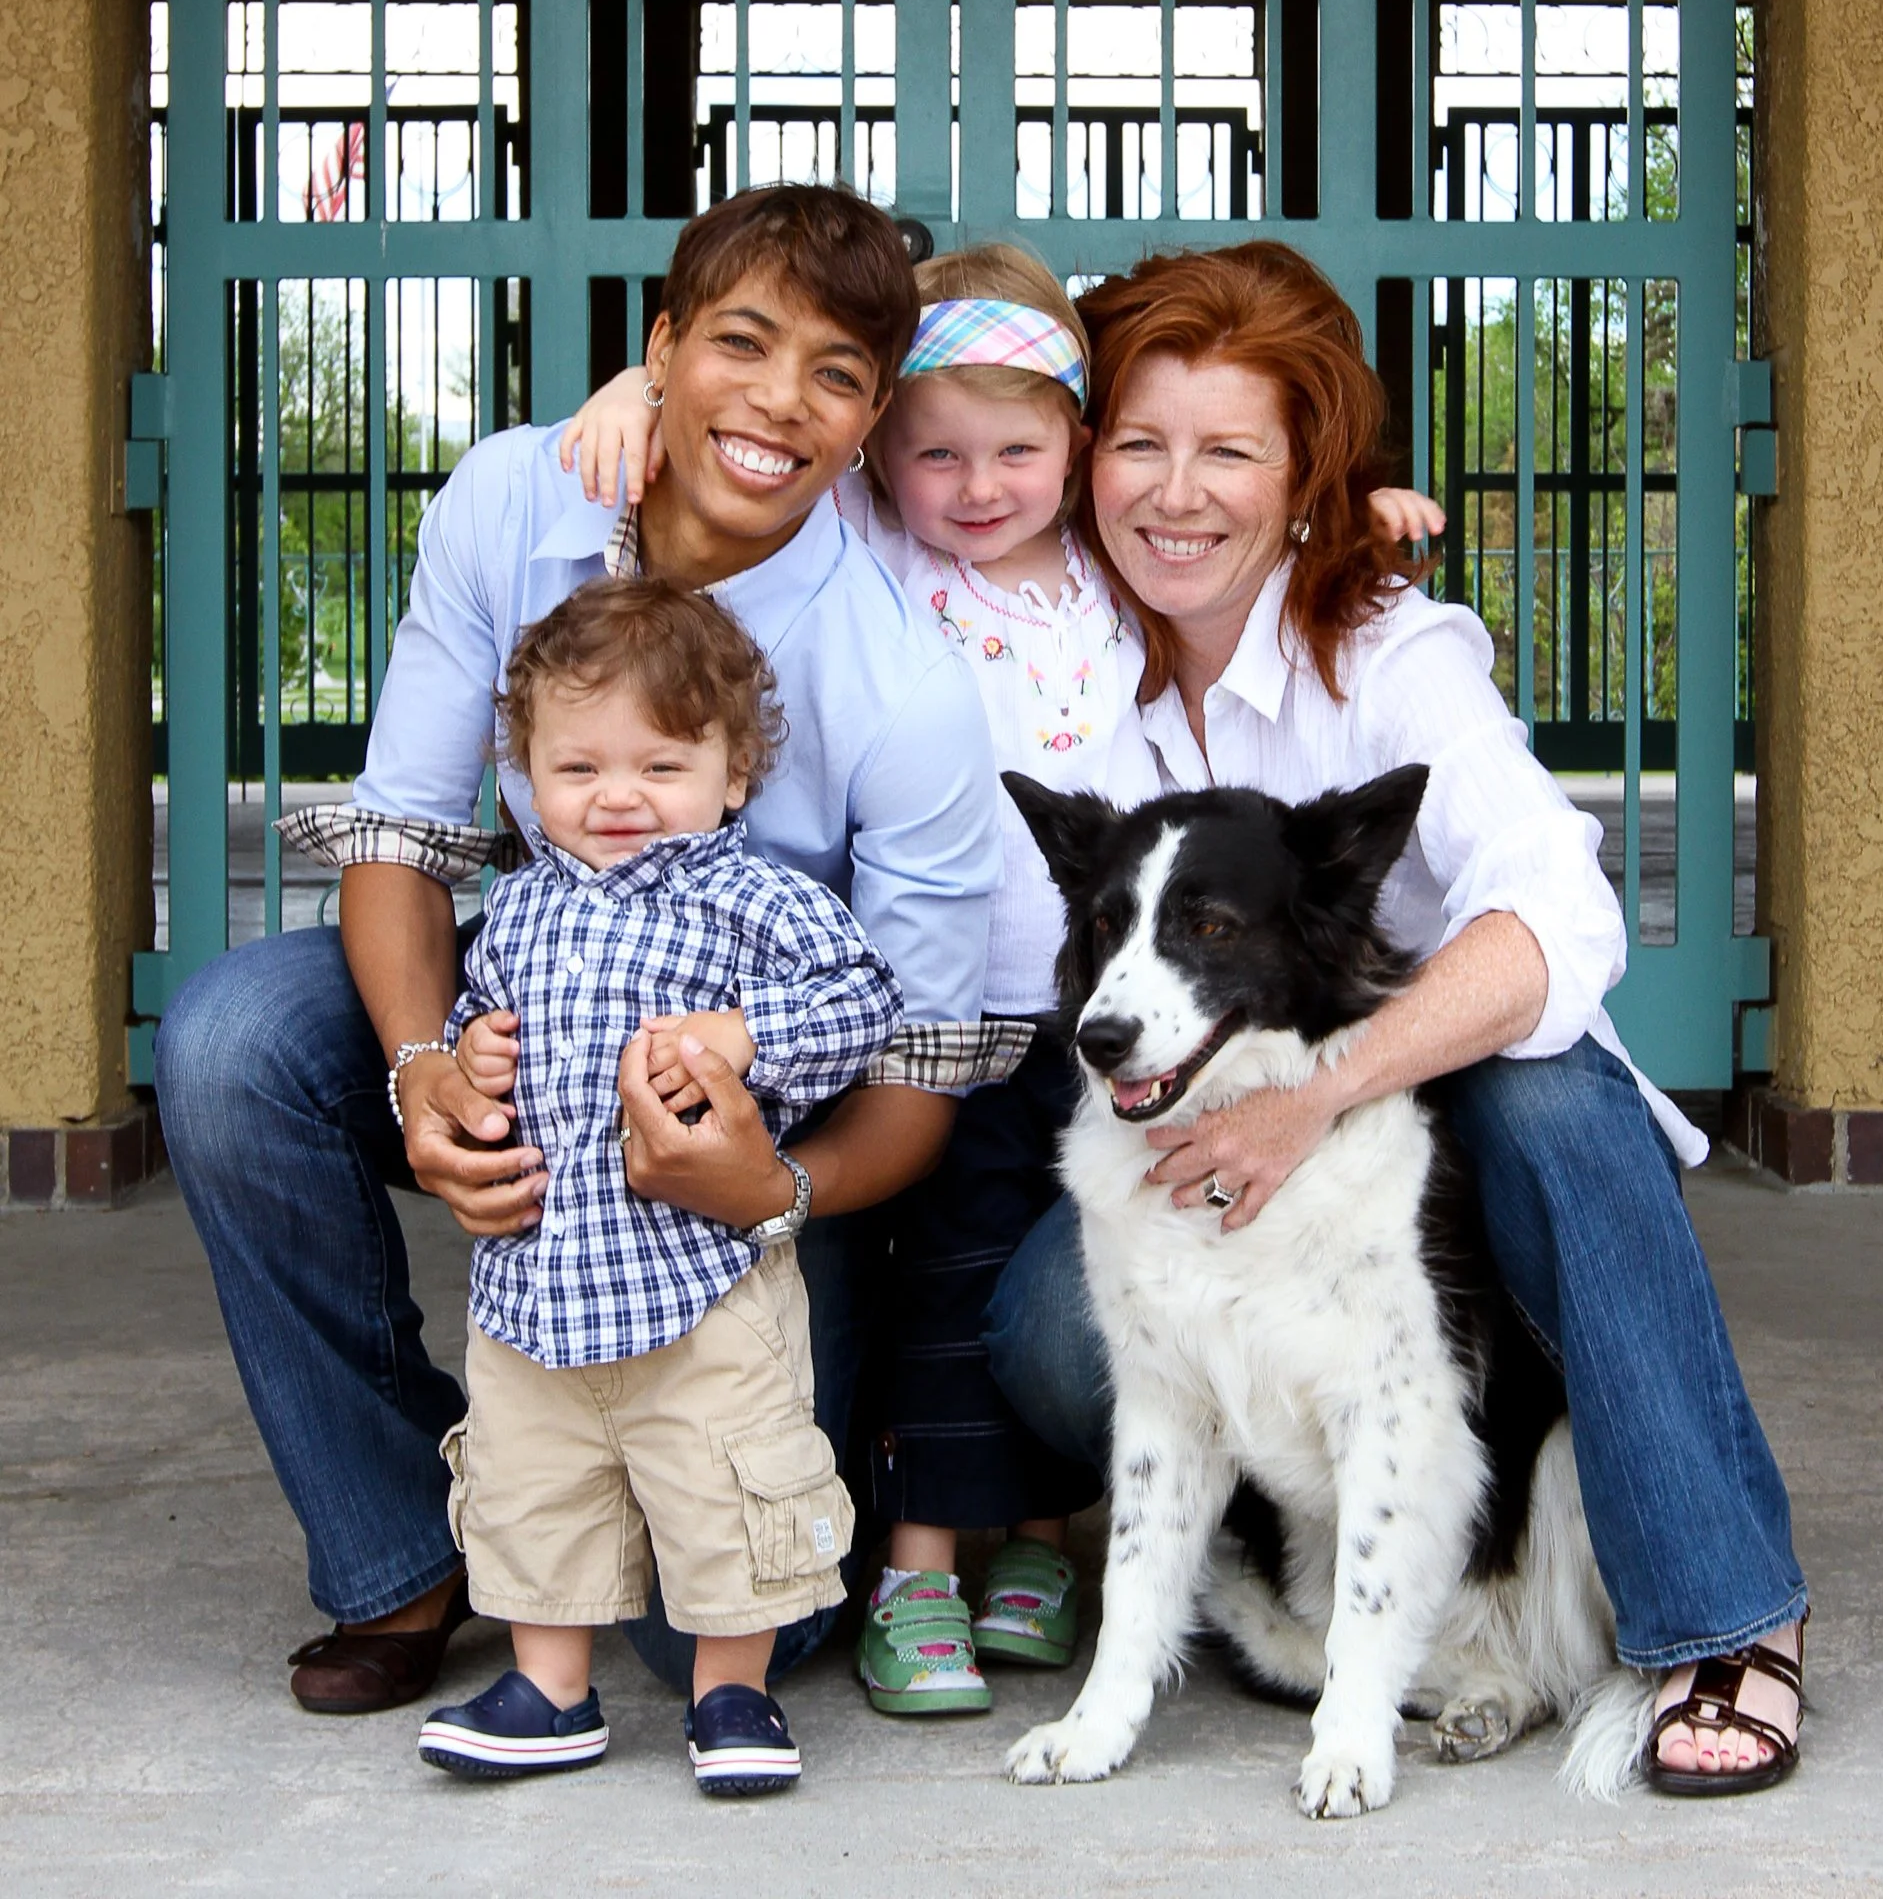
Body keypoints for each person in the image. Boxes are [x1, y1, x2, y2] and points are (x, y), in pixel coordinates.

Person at [153, 184, 1003, 1716]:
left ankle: (839, 1423)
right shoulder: (510, 502)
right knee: (232, 1045)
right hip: (536, 981)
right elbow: (407, 840)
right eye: (741, 344)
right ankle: (401, 1552)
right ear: (661, 350)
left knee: (716, 1643)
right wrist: (422, 1071)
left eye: (834, 376)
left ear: (871, 418)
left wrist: (777, 1190)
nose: (775, 403)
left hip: (771, 1096)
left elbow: (921, 1063)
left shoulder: (903, 682)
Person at [563, 242, 1440, 1724]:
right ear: (884, 459)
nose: (977, 487)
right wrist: (638, 388)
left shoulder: (1105, 558)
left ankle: (1036, 1551)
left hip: (1082, 1024)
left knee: (1065, 1287)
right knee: (944, 1283)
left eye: (1020, 451)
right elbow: (767, 447)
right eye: (937, 455)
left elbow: (1221, 514)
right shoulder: (876, 549)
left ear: (1078, 452)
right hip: (908, 1019)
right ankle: (915, 1565)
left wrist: (1365, 504)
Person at [979, 239, 1806, 1798]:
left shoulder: (1390, 648)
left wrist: (1317, 1098)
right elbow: (885, 475)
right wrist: (633, 403)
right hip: (1202, 1130)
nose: (1176, 493)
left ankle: (1726, 1616)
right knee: (1047, 1335)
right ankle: (1330, 1585)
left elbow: (1560, 918)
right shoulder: (1064, 638)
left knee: (1549, 1093)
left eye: (1232, 452)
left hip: (1428, 1146)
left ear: (1308, 481)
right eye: (1143, 445)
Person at [415, 576, 901, 1792]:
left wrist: (746, 1037)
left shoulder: (752, 898)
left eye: (662, 766)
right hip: (536, 1275)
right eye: (578, 772)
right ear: (524, 778)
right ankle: (550, 1687)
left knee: (726, 1483)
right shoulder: (516, 906)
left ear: (734, 772)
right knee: (536, 1486)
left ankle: (732, 1694)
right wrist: (471, 1050)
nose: (620, 798)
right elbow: (479, 1018)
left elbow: (863, 1001)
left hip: (703, 1277)